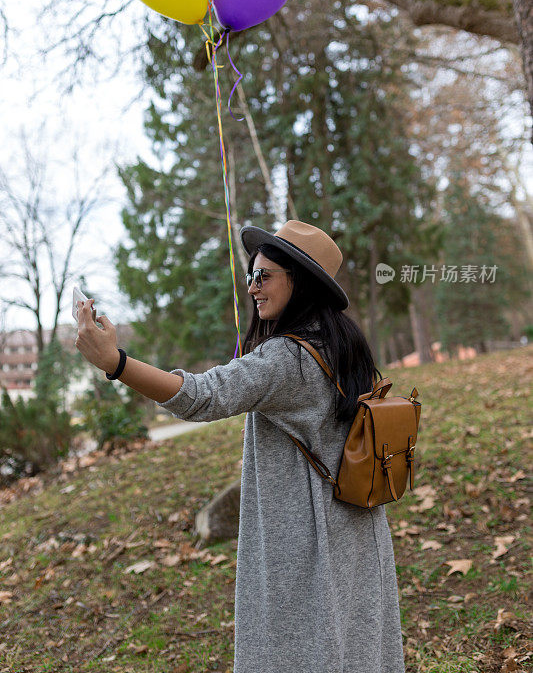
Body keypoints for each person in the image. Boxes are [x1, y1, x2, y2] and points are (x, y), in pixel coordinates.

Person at [75, 219, 405, 673]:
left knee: (301, 650)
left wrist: (116, 362)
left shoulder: (286, 359)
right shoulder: (345, 343)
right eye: (252, 275)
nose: (252, 287)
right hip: (357, 524)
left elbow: (199, 396)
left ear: (301, 282)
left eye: (264, 276)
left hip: (305, 537)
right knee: (354, 642)